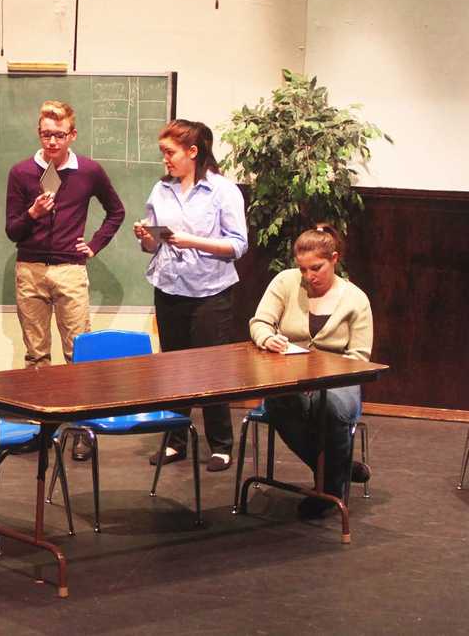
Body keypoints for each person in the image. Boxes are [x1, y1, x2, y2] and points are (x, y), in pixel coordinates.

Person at [5, 100, 125, 461]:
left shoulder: (88, 171)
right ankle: (41, 429)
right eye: (46, 134)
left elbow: (115, 211)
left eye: (59, 135)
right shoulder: (22, 172)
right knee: (37, 355)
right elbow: (12, 230)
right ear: (38, 134)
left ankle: (81, 429)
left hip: (70, 270)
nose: (52, 142)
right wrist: (32, 213)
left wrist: (93, 246)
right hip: (30, 269)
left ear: (72, 135)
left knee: (78, 352)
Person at [133, 119, 248, 472]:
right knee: (173, 367)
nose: (165, 159)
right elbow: (152, 246)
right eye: (163, 153)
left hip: (210, 292)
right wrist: (146, 237)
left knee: (211, 369)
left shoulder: (223, 191)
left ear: (193, 152)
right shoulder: (160, 190)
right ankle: (176, 439)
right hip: (169, 287)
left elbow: (238, 245)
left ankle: (221, 445)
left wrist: (191, 240)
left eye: (170, 152)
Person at [250, 224, 373, 519]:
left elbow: (359, 358)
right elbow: (260, 322)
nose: (308, 276)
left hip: (340, 380)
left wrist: (324, 378)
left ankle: (328, 488)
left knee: (327, 404)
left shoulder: (356, 299)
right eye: (302, 269)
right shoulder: (285, 282)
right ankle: (339, 470)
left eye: (316, 268)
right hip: (290, 374)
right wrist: (268, 338)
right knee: (280, 401)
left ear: (334, 258)